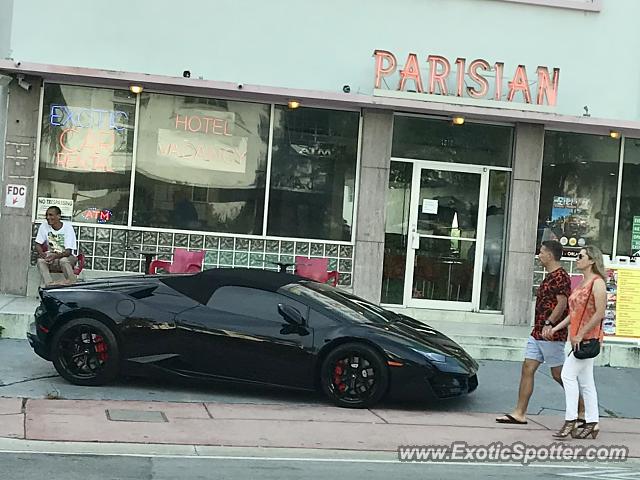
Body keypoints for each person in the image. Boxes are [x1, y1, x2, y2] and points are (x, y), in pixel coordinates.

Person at [496, 240, 583, 425]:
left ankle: (582, 409)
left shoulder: (560, 277)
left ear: (550, 255)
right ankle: (519, 412)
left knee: (559, 375)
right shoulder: (550, 275)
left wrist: (549, 323)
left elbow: (562, 304)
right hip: (538, 332)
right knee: (528, 368)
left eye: (542, 252)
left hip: (551, 333)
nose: (539, 255)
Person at [544, 245, 606, 439]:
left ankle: (571, 419)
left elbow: (600, 313)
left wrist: (582, 333)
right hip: (577, 338)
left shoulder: (597, 283)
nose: (577, 259)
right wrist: (555, 328)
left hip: (587, 338)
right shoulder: (581, 282)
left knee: (567, 375)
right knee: (587, 382)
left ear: (592, 260)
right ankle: (593, 422)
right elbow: (574, 314)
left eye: (581, 256)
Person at [35, 205, 78, 286]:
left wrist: (55, 256)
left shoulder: (68, 228)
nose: (48, 217)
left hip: (67, 257)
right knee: (40, 261)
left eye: (51, 215)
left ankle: (72, 282)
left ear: (58, 216)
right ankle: (50, 285)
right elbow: (37, 244)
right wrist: (43, 255)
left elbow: (68, 252)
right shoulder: (44, 226)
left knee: (63, 260)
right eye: (47, 215)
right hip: (52, 257)